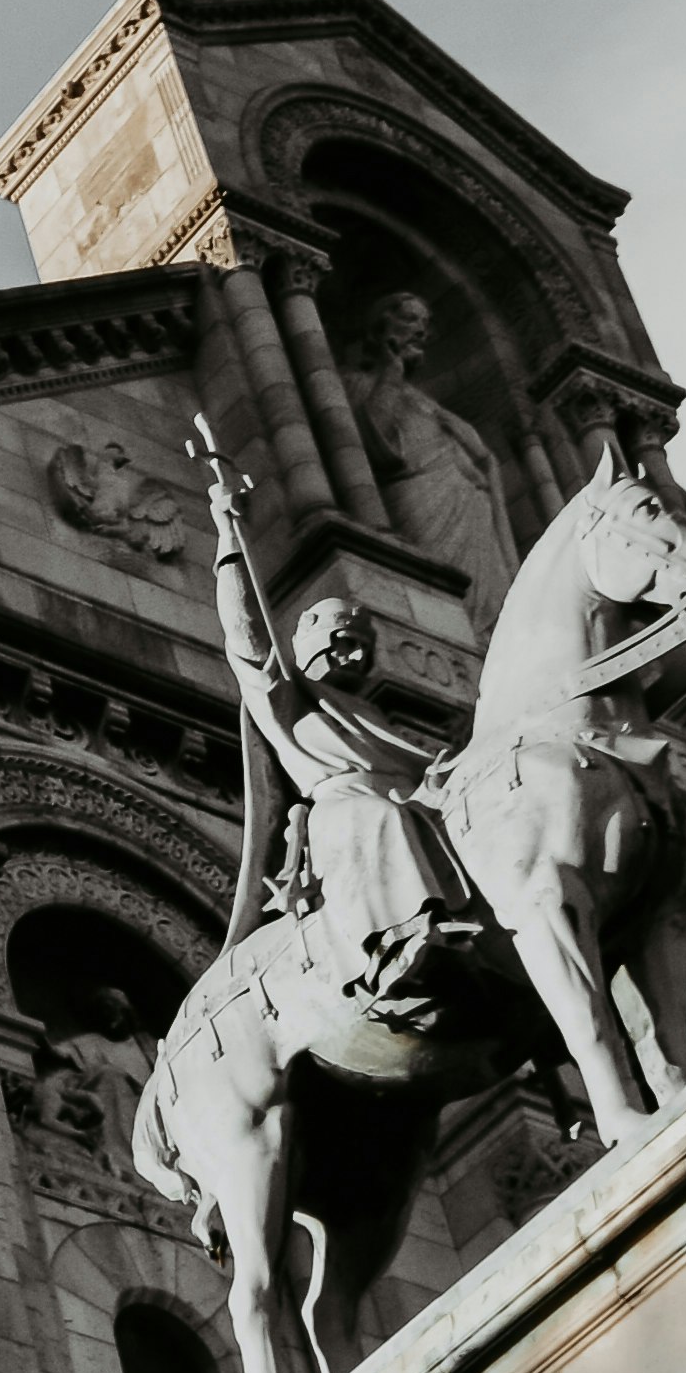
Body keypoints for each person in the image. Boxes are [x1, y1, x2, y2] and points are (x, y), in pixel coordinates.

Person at [198, 425, 471, 1010]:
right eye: (341, 640)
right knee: (377, 816)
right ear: (305, 642)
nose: (354, 654)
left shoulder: (371, 712)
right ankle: (393, 947)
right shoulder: (284, 696)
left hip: (412, 802)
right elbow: (246, 635)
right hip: (346, 809)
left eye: (361, 646)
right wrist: (228, 532)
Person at [348, 284, 523, 634]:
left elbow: (481, 461)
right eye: (410, 319)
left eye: (424, 323)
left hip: (469, 510)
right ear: (382, 325)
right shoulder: (357, 382)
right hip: (419, 502)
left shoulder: (427, 401)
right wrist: (392, 372)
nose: (420, 330)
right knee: (435, 596)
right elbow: (370, 444)